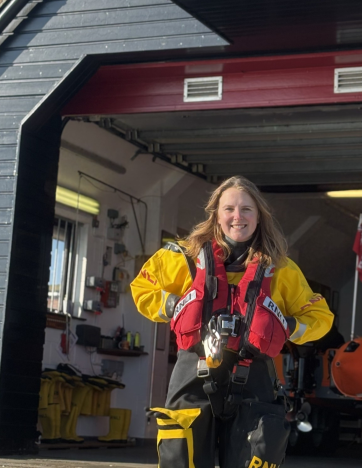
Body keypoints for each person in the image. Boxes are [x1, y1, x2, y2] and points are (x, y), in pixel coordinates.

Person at [131, 175, 333, 468]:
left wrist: (286, 325)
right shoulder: (183, 258)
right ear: (216, 214)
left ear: (259, 216)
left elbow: (320, 317)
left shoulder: (280, 269)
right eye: (229, 209)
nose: (237, 216)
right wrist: (177, 305)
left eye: (246, 209)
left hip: (254, 377)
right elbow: (142, 289)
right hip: (194, 372)